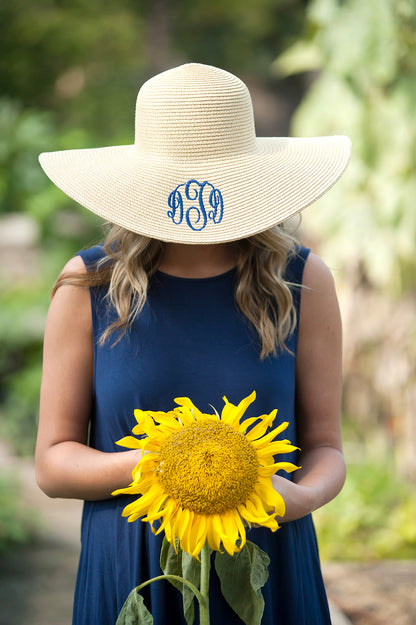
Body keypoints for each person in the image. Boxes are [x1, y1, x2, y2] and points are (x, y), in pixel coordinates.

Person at [36, 63, 351, 625]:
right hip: (133, 570)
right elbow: (54, 463)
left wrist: (296, 500)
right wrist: (171, 467)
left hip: (267, 557)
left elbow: (326, 446)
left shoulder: (301, 282)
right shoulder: (91, 284)